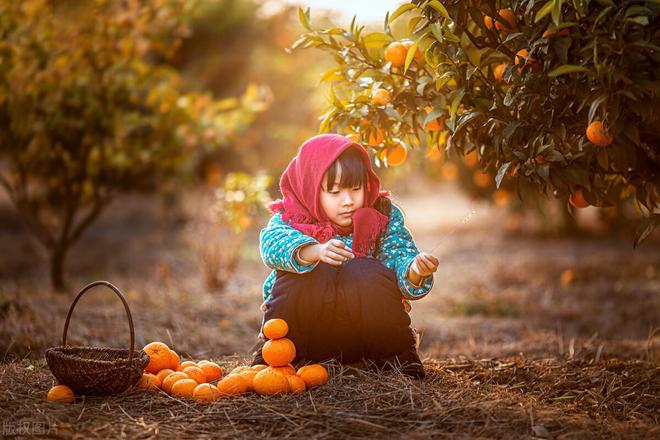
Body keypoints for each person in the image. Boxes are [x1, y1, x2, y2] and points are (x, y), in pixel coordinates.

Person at [252, 134, 439, 379]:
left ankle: (397, 360)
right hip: (307, 334)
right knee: (307, 272)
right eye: (335, 192)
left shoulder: (381, 215)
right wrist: (315, 251)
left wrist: (414, 270)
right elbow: (272, 245)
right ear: (311, 189)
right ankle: (274, 358)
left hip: (362, 334)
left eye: (356, 188)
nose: (348, 201)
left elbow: (398, 254)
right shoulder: (292, 217)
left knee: (365, 270)